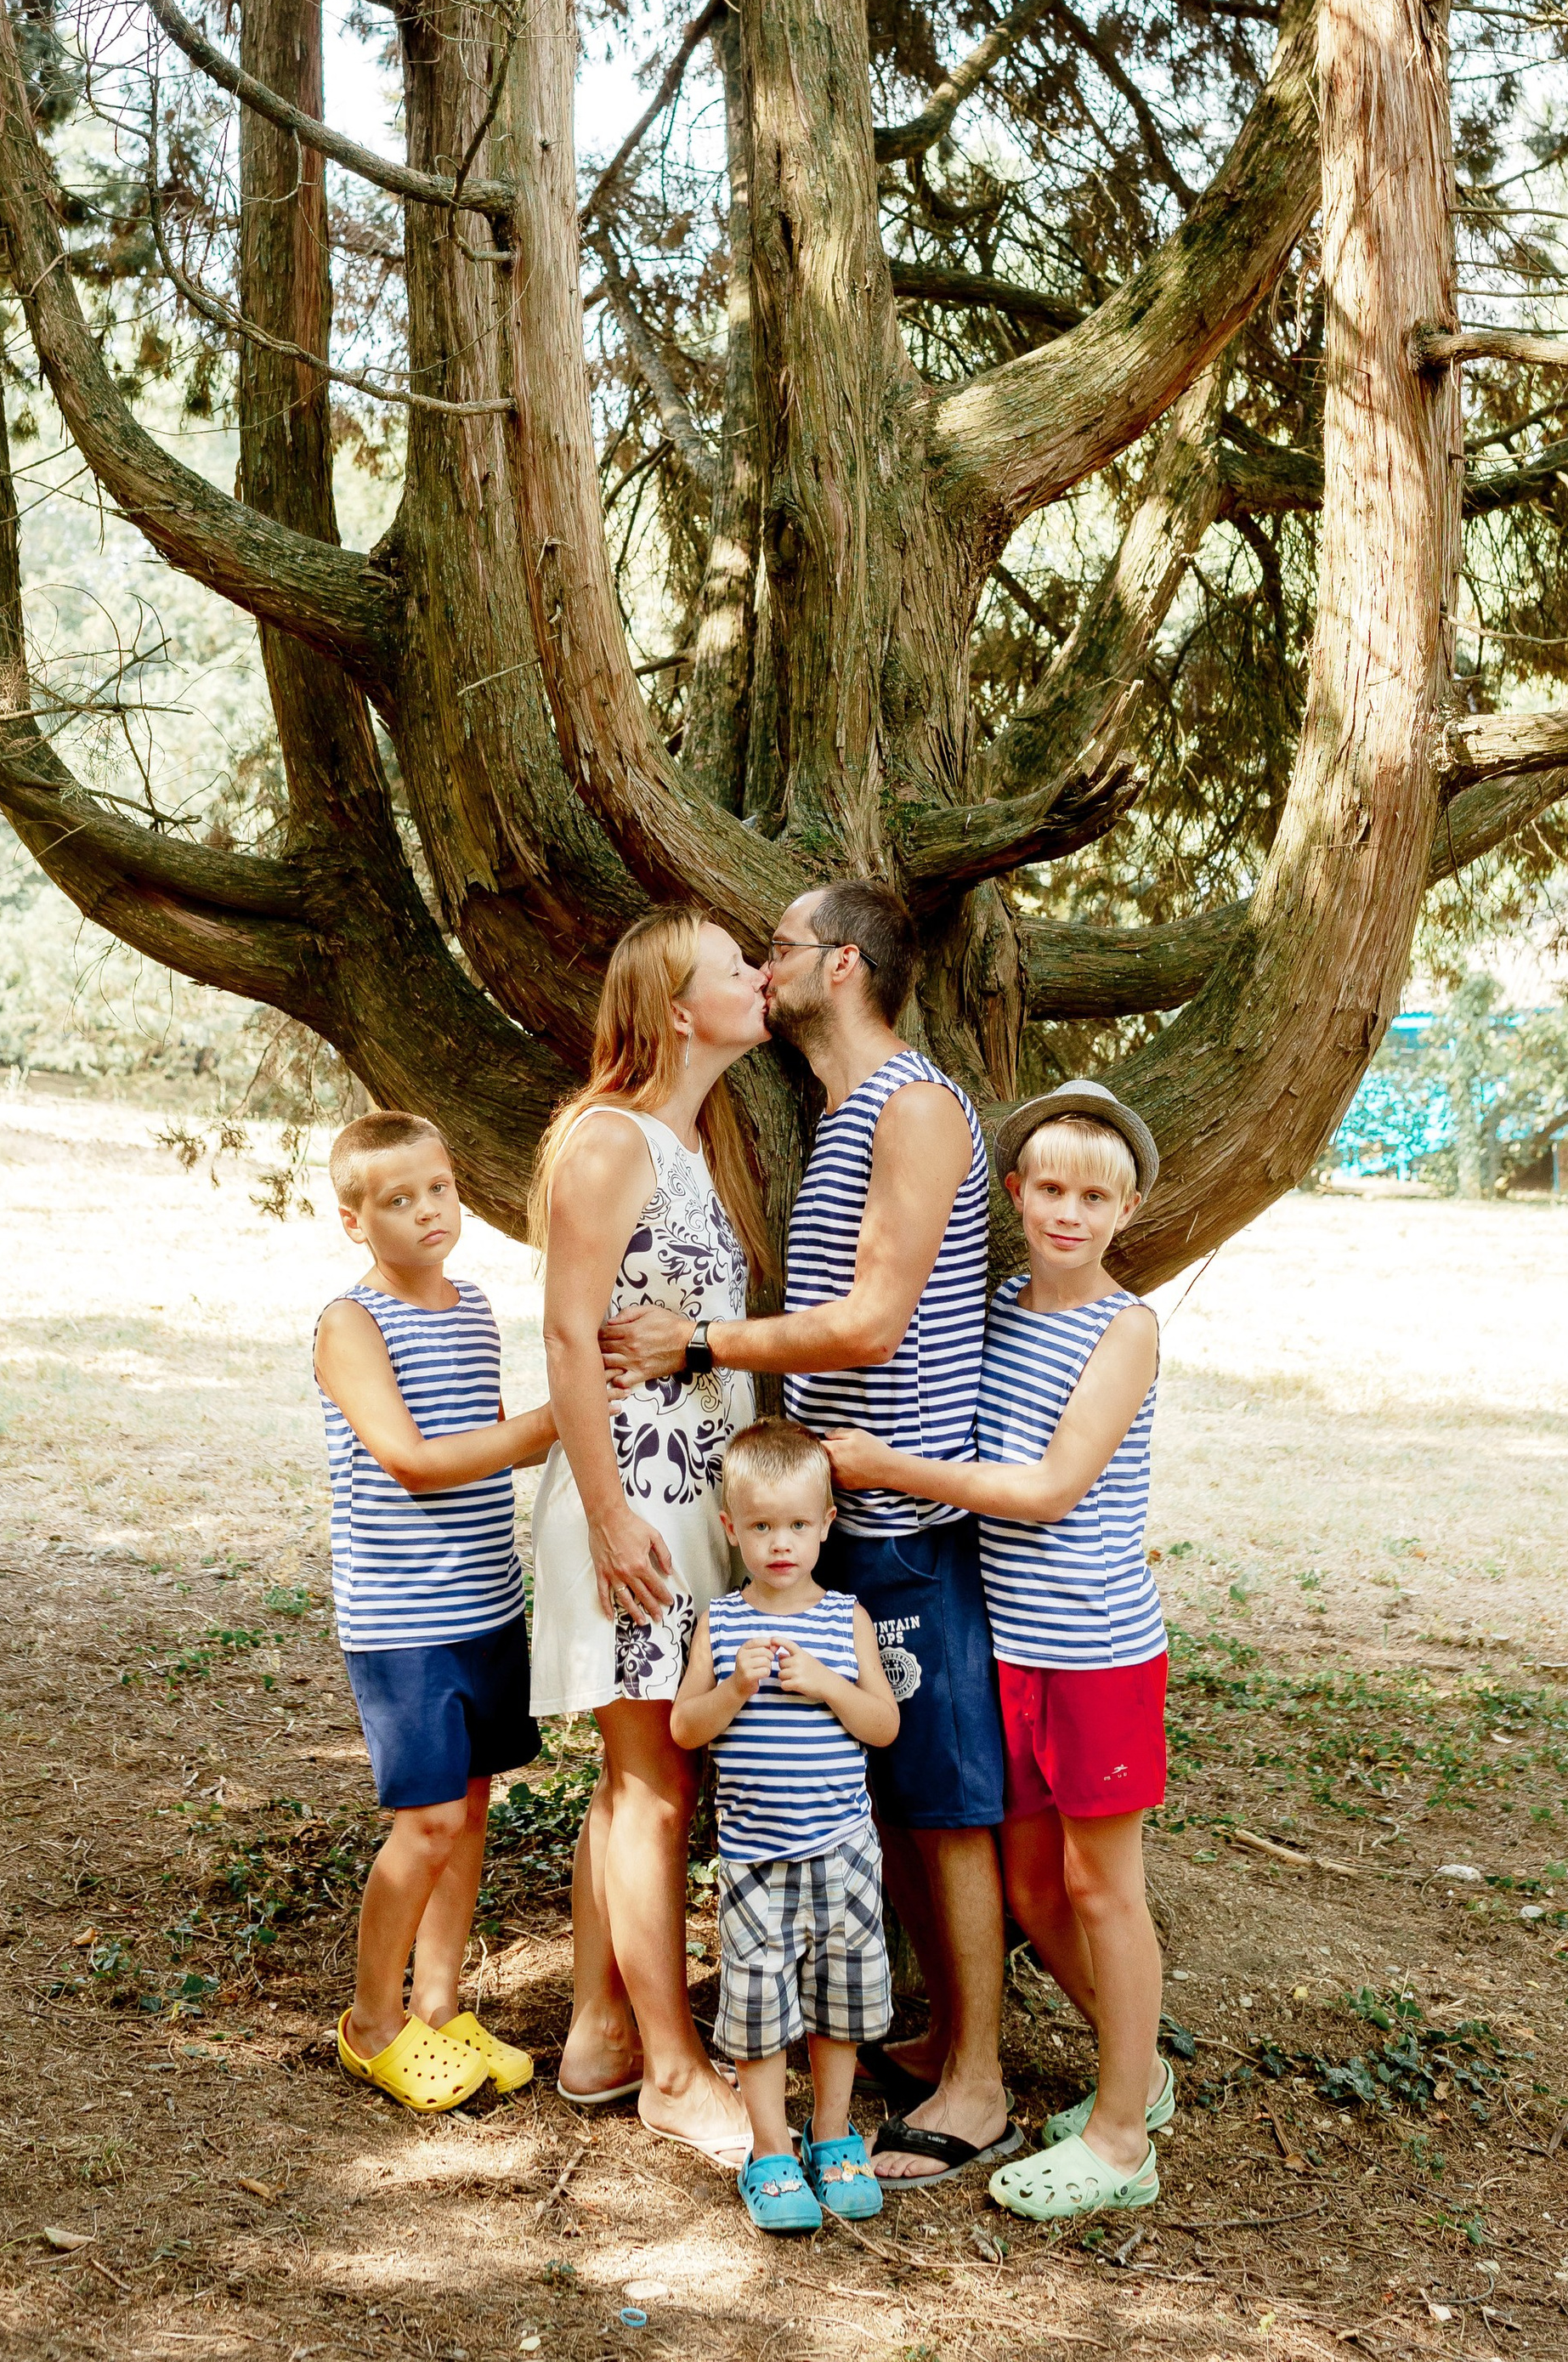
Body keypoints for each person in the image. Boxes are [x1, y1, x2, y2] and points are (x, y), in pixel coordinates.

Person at [602, 880, 1012, 2189]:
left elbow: (875, 1323)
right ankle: (932, 2035)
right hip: (837, 1523)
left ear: (841, 965)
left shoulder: (917, 1108)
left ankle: (981, 2084)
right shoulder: (840, 1114)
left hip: (911, 1516)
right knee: (883, 1791)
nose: (762, 969)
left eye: (776, 949)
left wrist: (698, 1344)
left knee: (946, 1803)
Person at [826, 1080, 1170, 2221]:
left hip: (1095, 1651)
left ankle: (1122, 2137)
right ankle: (1137, 2072)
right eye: (1052, 1190)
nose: (1070, 1213)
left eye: (1096, 1198)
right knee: (1031, 1883)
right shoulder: (1002, 1308)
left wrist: (887, 1468)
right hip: (1009, 1643)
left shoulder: (1125, 1329)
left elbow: (1051, 1488)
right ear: (1016, 1192)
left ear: (1126, 1210)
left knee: (1103, 1889)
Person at [529, 907, 770, 2168]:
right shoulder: (611, 1139)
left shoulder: (687, 1141)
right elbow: (568, 1335)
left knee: (635, 1779)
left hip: (684, 1494)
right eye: (735, 967)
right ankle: (676, 2076)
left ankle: (599, 2035)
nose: (760, 977)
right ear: (678, 1009)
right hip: (634, 1500)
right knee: (654, 1786)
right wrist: (611, 1515)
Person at [314, 1109, 557, 2114]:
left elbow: (484, 1442)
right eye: (397, 1199)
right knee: (425, 1823)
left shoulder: (473, 1308)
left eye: (439, 1189)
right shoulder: (349, 1324)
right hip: (402, 1618)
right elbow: (413, 1461)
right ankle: (371, 2026)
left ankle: (438, 2008)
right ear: (353, 1220)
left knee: (471, 1809)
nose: (426, 1211)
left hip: (484, 1600)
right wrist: (557, 1420)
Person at [670, 1419, 899, 2236]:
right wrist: (733, 1688)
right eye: (762, 1525)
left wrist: (830, 1684)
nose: (780, 1543)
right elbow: (685, 1729)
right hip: (756, 1860)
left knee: (842, 1999)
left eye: (798, 1524)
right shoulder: (722, 1623)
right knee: (758, 2003)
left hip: (845, 1854)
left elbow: (883, 1726)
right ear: (731, 1528)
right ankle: (769, 2149)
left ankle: (832, 2135)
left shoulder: (846, 1619)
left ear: (827, 1524)